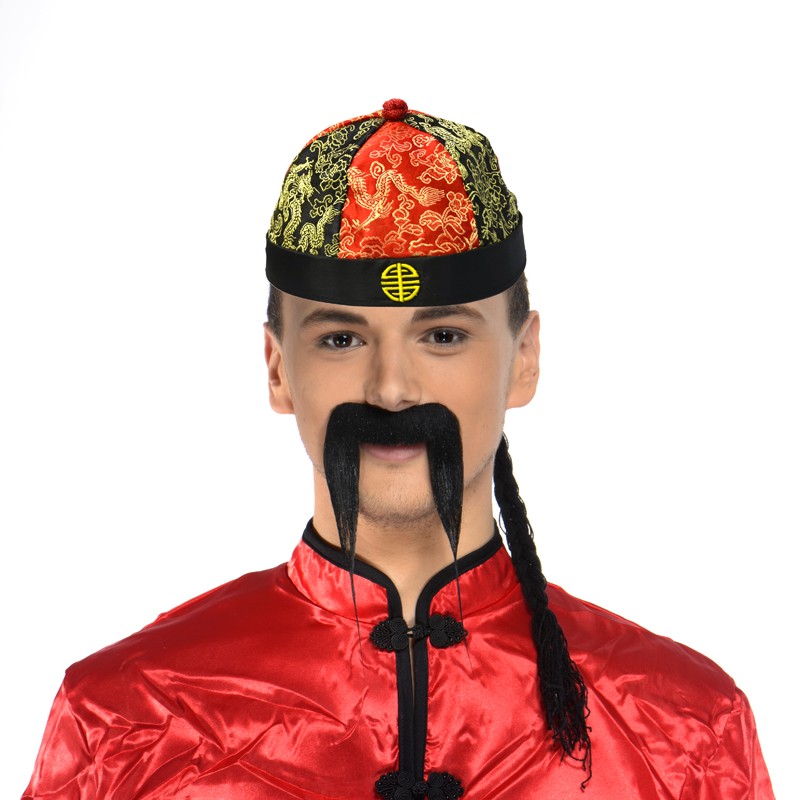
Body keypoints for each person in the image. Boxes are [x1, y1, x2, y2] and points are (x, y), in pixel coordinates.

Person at [23, 99, 774, 799]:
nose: (391, 389)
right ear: (278, 368)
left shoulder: (683, 727)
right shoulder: (125, 717)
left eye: (442, 335)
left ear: (525, 359)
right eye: (341, 339)